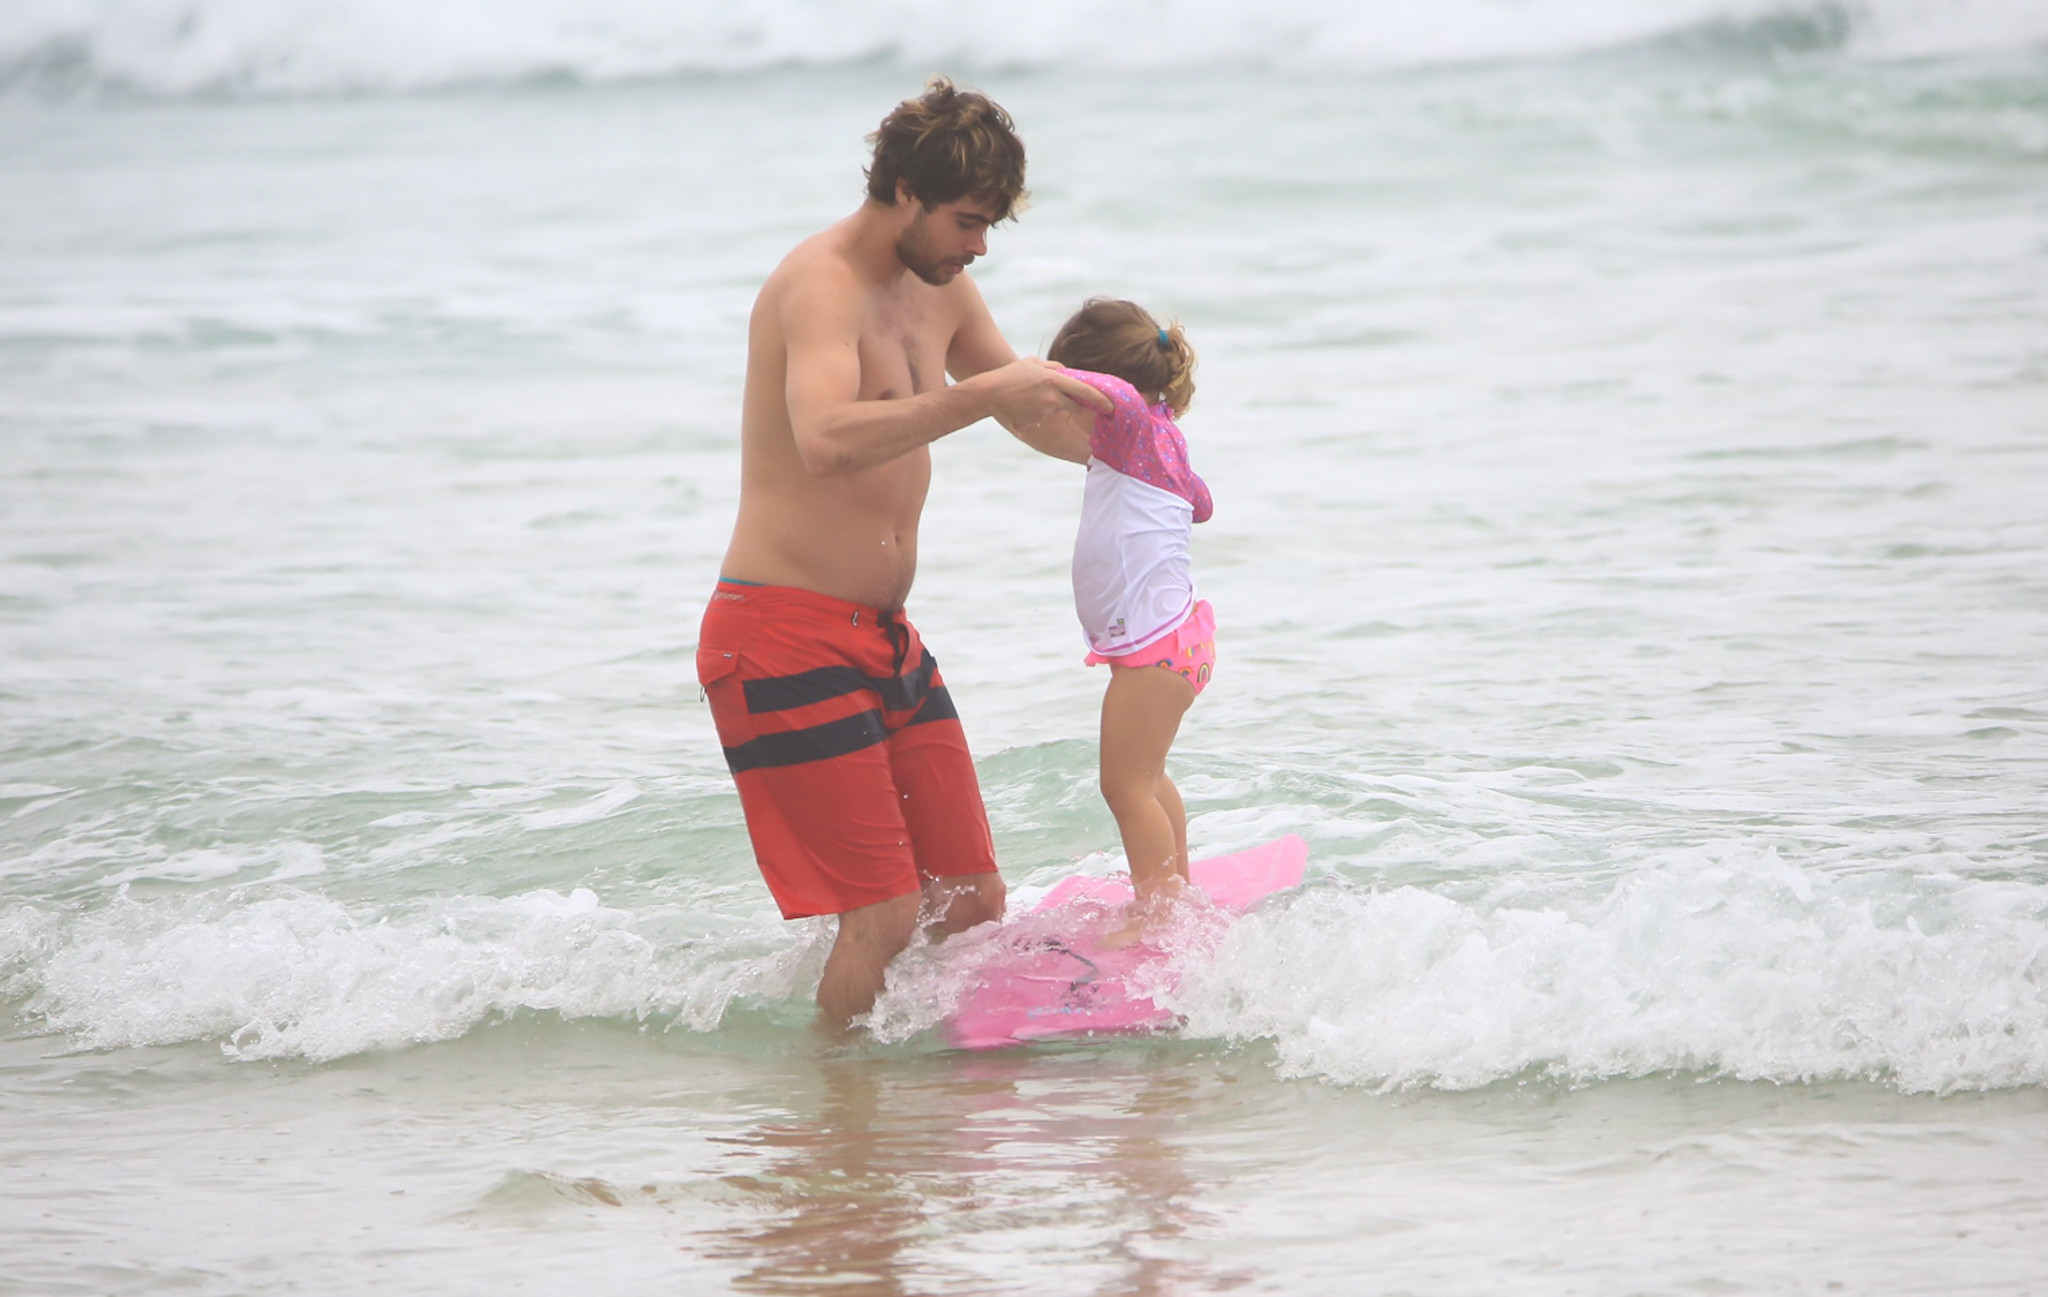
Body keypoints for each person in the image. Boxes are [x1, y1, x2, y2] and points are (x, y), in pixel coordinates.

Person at [696, 77, 1111, 1028]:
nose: (977, 247)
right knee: (880, 914)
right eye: (968, 222)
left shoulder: (943, 287)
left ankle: (912, 1102)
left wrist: (1139, 455)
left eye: (990, 228)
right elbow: (828, 440)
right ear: (906, 194)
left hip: (884, 640)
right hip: (780, 636)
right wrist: (986, 393)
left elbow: (1030, 405)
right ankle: (837, 1103)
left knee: (971, 899)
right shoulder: (818, 287)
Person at [1044, 299, 1215, 942]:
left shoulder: (1133, 421)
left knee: (1123, 787)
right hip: (1178, 640)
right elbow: (1201, 503)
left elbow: (1116, 393)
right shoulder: (1160, 431)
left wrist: (1038, 372)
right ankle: (1178, 892)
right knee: (1148, 776)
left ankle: (1156, 915)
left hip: (1156, 651)